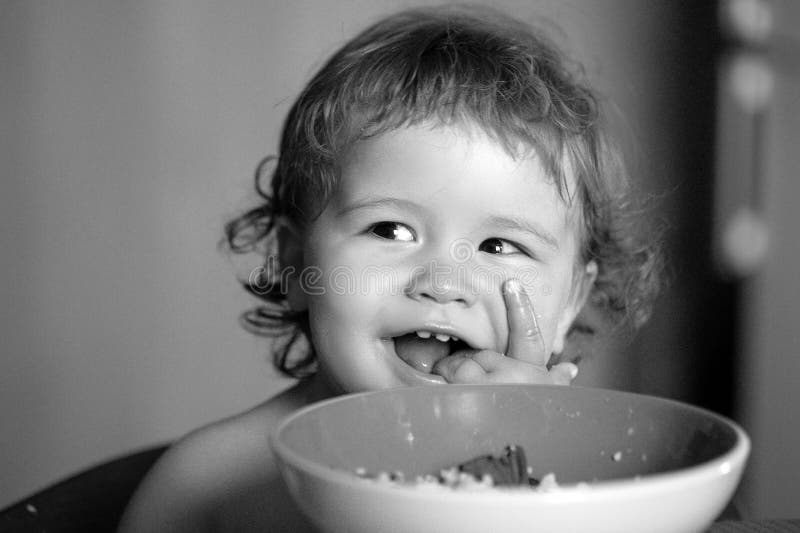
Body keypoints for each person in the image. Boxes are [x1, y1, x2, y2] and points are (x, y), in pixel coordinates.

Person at [118, 5, 660, 532]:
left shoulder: (581, 484)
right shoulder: (211, 484)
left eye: (499, 246)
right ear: (294, 263)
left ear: (569, 302)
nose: (444, 283)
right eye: (391, 231)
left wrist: (514, 477)